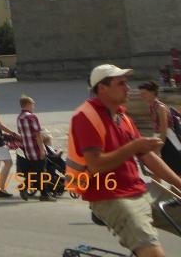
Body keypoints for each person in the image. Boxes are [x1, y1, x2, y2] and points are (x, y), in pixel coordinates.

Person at [68, 64, 181, 257]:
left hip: (139, 189)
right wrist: (133, 147)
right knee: (153, 253)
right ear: (102, 88)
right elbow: (95, 164)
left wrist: (179, 183)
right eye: (121, 83)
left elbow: (149, 157)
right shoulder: (85, 117)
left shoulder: (122, 116)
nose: (128, 88)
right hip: (109, 196)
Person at [138, 81, 181, 177]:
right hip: (162, 140)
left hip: (169, 142)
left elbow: (164, 129)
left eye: (144, 93)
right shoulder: (152, 106)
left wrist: (158, 148)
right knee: (159, 171)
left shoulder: (160, 107)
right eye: (141, 94)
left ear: (152, 92)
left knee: (175, 172)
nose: (142, 96)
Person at [17, 95, 55, 201]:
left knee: (36, 171)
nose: (34, 106)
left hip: (28, 150)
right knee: (42, 172)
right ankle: (43, 194)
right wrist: (42, 149)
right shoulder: (32, 117)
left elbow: (20, 132)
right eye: (33, 104)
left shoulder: (19, 117)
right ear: (28, 104)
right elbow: (38, 135)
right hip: (36, 149)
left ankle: (38, 191)